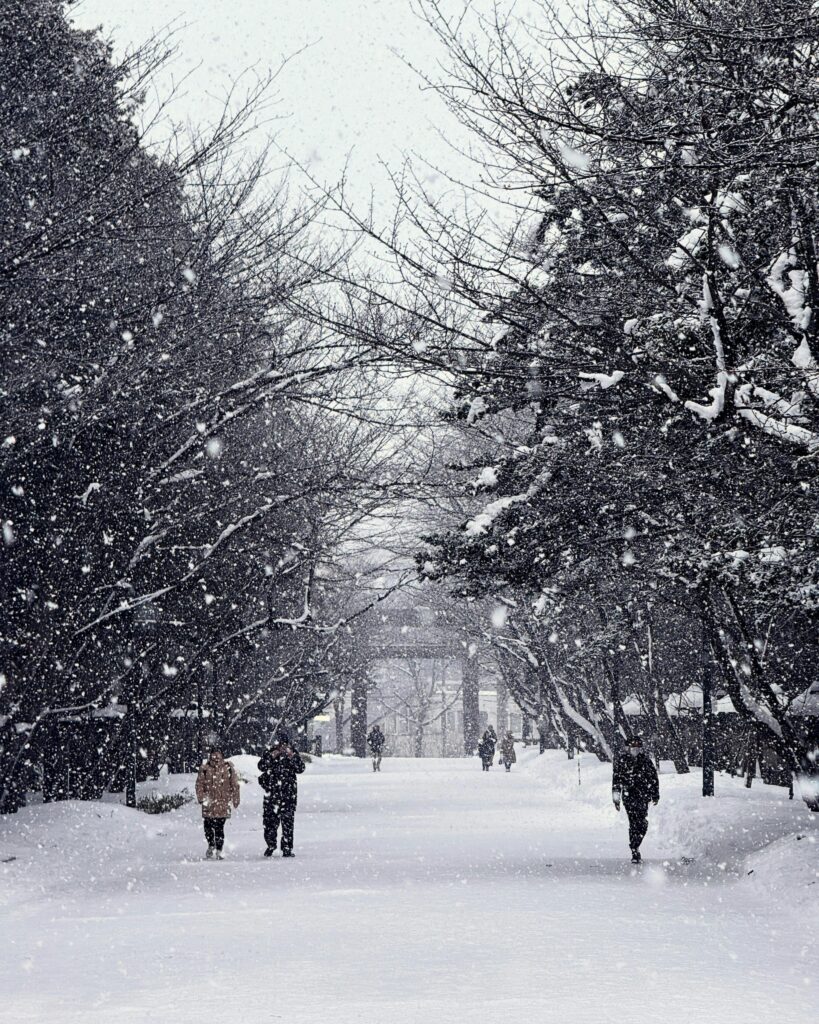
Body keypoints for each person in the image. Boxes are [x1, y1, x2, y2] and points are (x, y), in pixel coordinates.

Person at [258, 729, 306, 858]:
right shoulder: (270, 753)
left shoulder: (292, 754)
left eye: (284, 744)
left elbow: (300, 768)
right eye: (280, 744)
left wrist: (292, 757)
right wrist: (272, 756)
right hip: (271, 793)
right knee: (269, 823)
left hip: (288, 794)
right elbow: (261, 766)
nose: (282, 747)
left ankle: (287, 847)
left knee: (288, 823)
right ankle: (270, 845)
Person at [612, 735, 660, 864]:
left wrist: (655, 794)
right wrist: (616, 800)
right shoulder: (622, 761)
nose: (635, 749)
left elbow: (653, 778)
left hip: (643, 796)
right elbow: (616, 782)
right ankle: (634, 848)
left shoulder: (645, 761)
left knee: (643, 823)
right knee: (633, 822)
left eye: (638, 746)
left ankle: (635, 843)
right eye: (633, 746)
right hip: (629, 797)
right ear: (628, 747)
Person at [195, 746, 240, 860]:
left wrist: (235, 799)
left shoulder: (228, 768)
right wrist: (201, 797)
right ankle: (211, 844)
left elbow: (234, 784)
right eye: (213, 754)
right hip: (208, 803)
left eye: (218, 754)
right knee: (208, 827)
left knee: (220, 827)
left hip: (223, 803)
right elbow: (199, 784)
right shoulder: (205, 768)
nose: (215, 756)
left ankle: (219, 850)